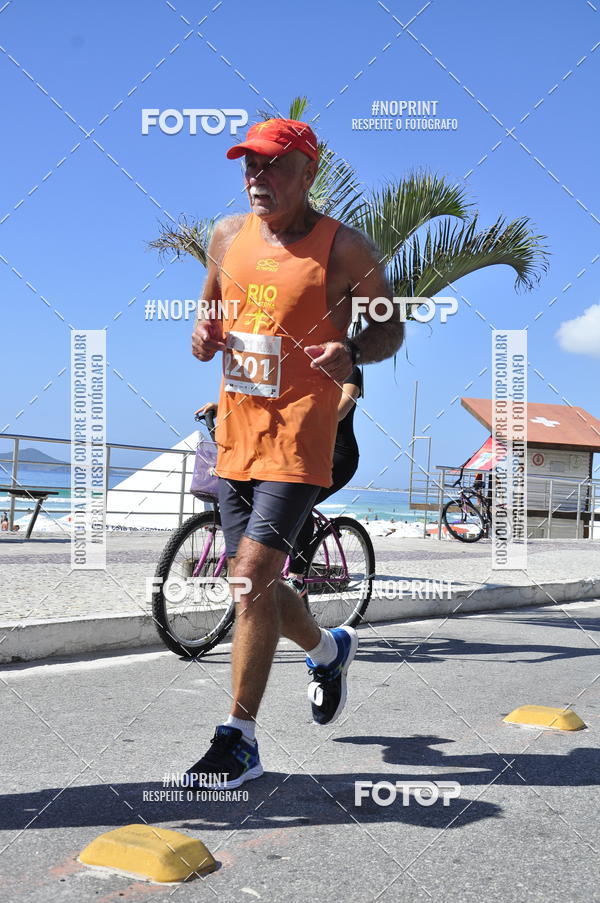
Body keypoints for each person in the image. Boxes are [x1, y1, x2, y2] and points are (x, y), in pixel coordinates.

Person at [189, 117, 403, 789]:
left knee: (251, 572)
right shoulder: (226, 236)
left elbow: (391, 327)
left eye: (274, 165)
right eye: (249, 165)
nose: (258, 177)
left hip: (303, 432)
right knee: (257, 583)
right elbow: (211, 319)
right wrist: (203, 336)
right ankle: (328, 647)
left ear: (309, 172)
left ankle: (239, 737)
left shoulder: (345, 248)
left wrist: (355, 350)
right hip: (236, 433)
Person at [196, 362, 363, 597]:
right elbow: (265, 403)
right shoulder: (302, 370)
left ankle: (298, 576)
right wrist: (225, 407)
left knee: (300, 504)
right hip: (300, 452)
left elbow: (338, 411)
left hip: (337, 455)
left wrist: (294, 412)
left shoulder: (349, 371)